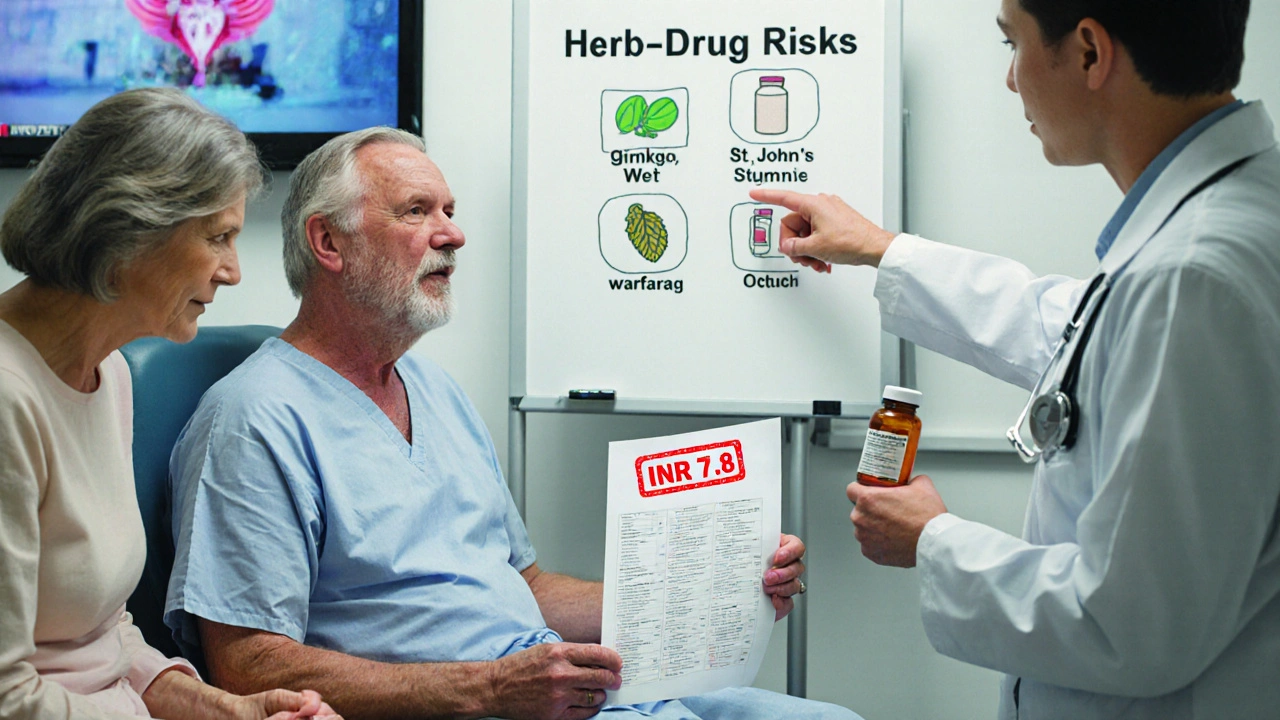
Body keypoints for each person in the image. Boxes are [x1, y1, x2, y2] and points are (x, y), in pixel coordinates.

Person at [162, 127, 861, 720]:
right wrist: (492, 687)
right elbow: (247, 667)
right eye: (417, 211)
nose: (454, 234)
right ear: (329, 242)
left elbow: (524, 589)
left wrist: (704, 593)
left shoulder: (435, 390)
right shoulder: (253, 419)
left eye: (450, 210)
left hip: (560, 694)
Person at [750, 0, 1279, 718]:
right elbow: (1075, 331)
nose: (1009, 80)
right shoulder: (1229, 219)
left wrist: (933, 541)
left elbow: (1127, 627)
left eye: (1014, 44)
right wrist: (881, 249)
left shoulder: (1191, 274)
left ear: (1090, 52)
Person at [0, 88, 340, 720]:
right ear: (129, 228)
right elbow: (8, 699)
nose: (233, 271)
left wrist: (227, 711)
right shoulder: (5, 397)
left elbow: (102, 636)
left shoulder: (111, 373)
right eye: (219, 237)